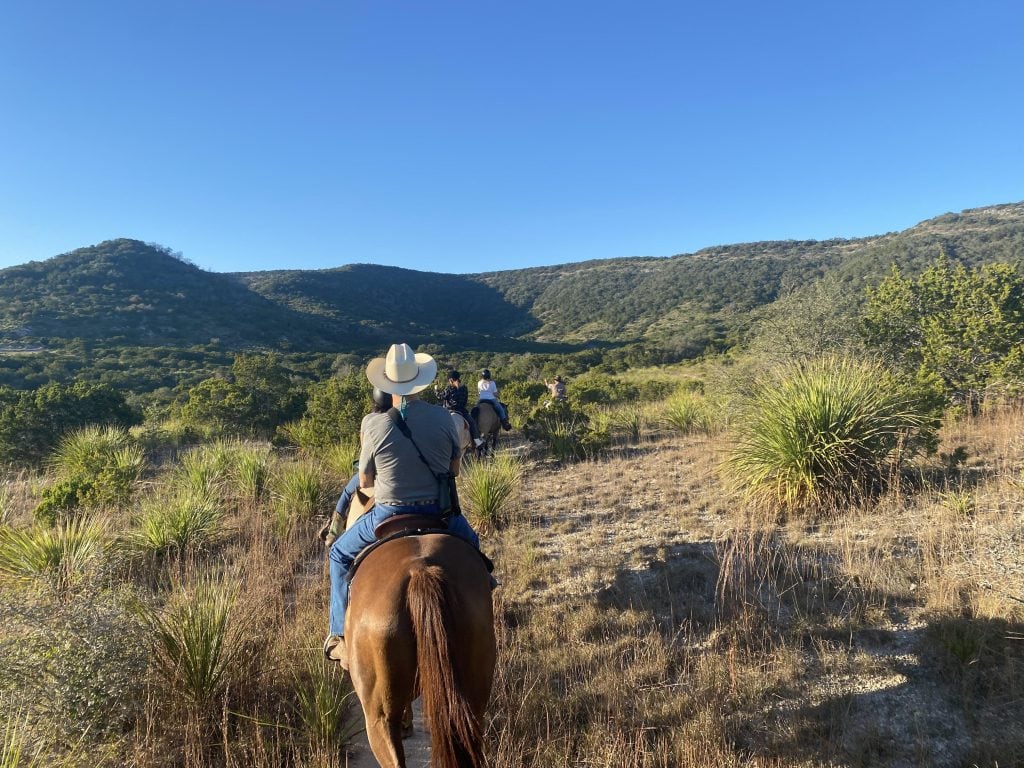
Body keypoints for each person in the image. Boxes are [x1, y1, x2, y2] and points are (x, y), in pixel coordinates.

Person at [324, 343, 482, 669]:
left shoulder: (373, 424)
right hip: (439, 513)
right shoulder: (444, 418)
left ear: (387, 384)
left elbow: (364, 480)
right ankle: (486, 591)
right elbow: (454, 470)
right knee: (475, 549)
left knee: (338, 554)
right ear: (420, 381)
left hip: (389, 513)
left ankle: (338, 635)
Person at [318, 387, 393, 547]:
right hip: (394, 472)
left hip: (374, 473)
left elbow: (364, 447)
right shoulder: (399, 417)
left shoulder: (368, 419)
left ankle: (333, 532)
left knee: (346, 493)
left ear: (375, 400)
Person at [437, 369, 485, 448]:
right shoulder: (464, 388)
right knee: (472, 423)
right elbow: (465, 400)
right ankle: (477, 441)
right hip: (461, 411)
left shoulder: (448, 388)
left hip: (448, 410)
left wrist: (436, 390)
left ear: (451, 380)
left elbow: (441, 397)